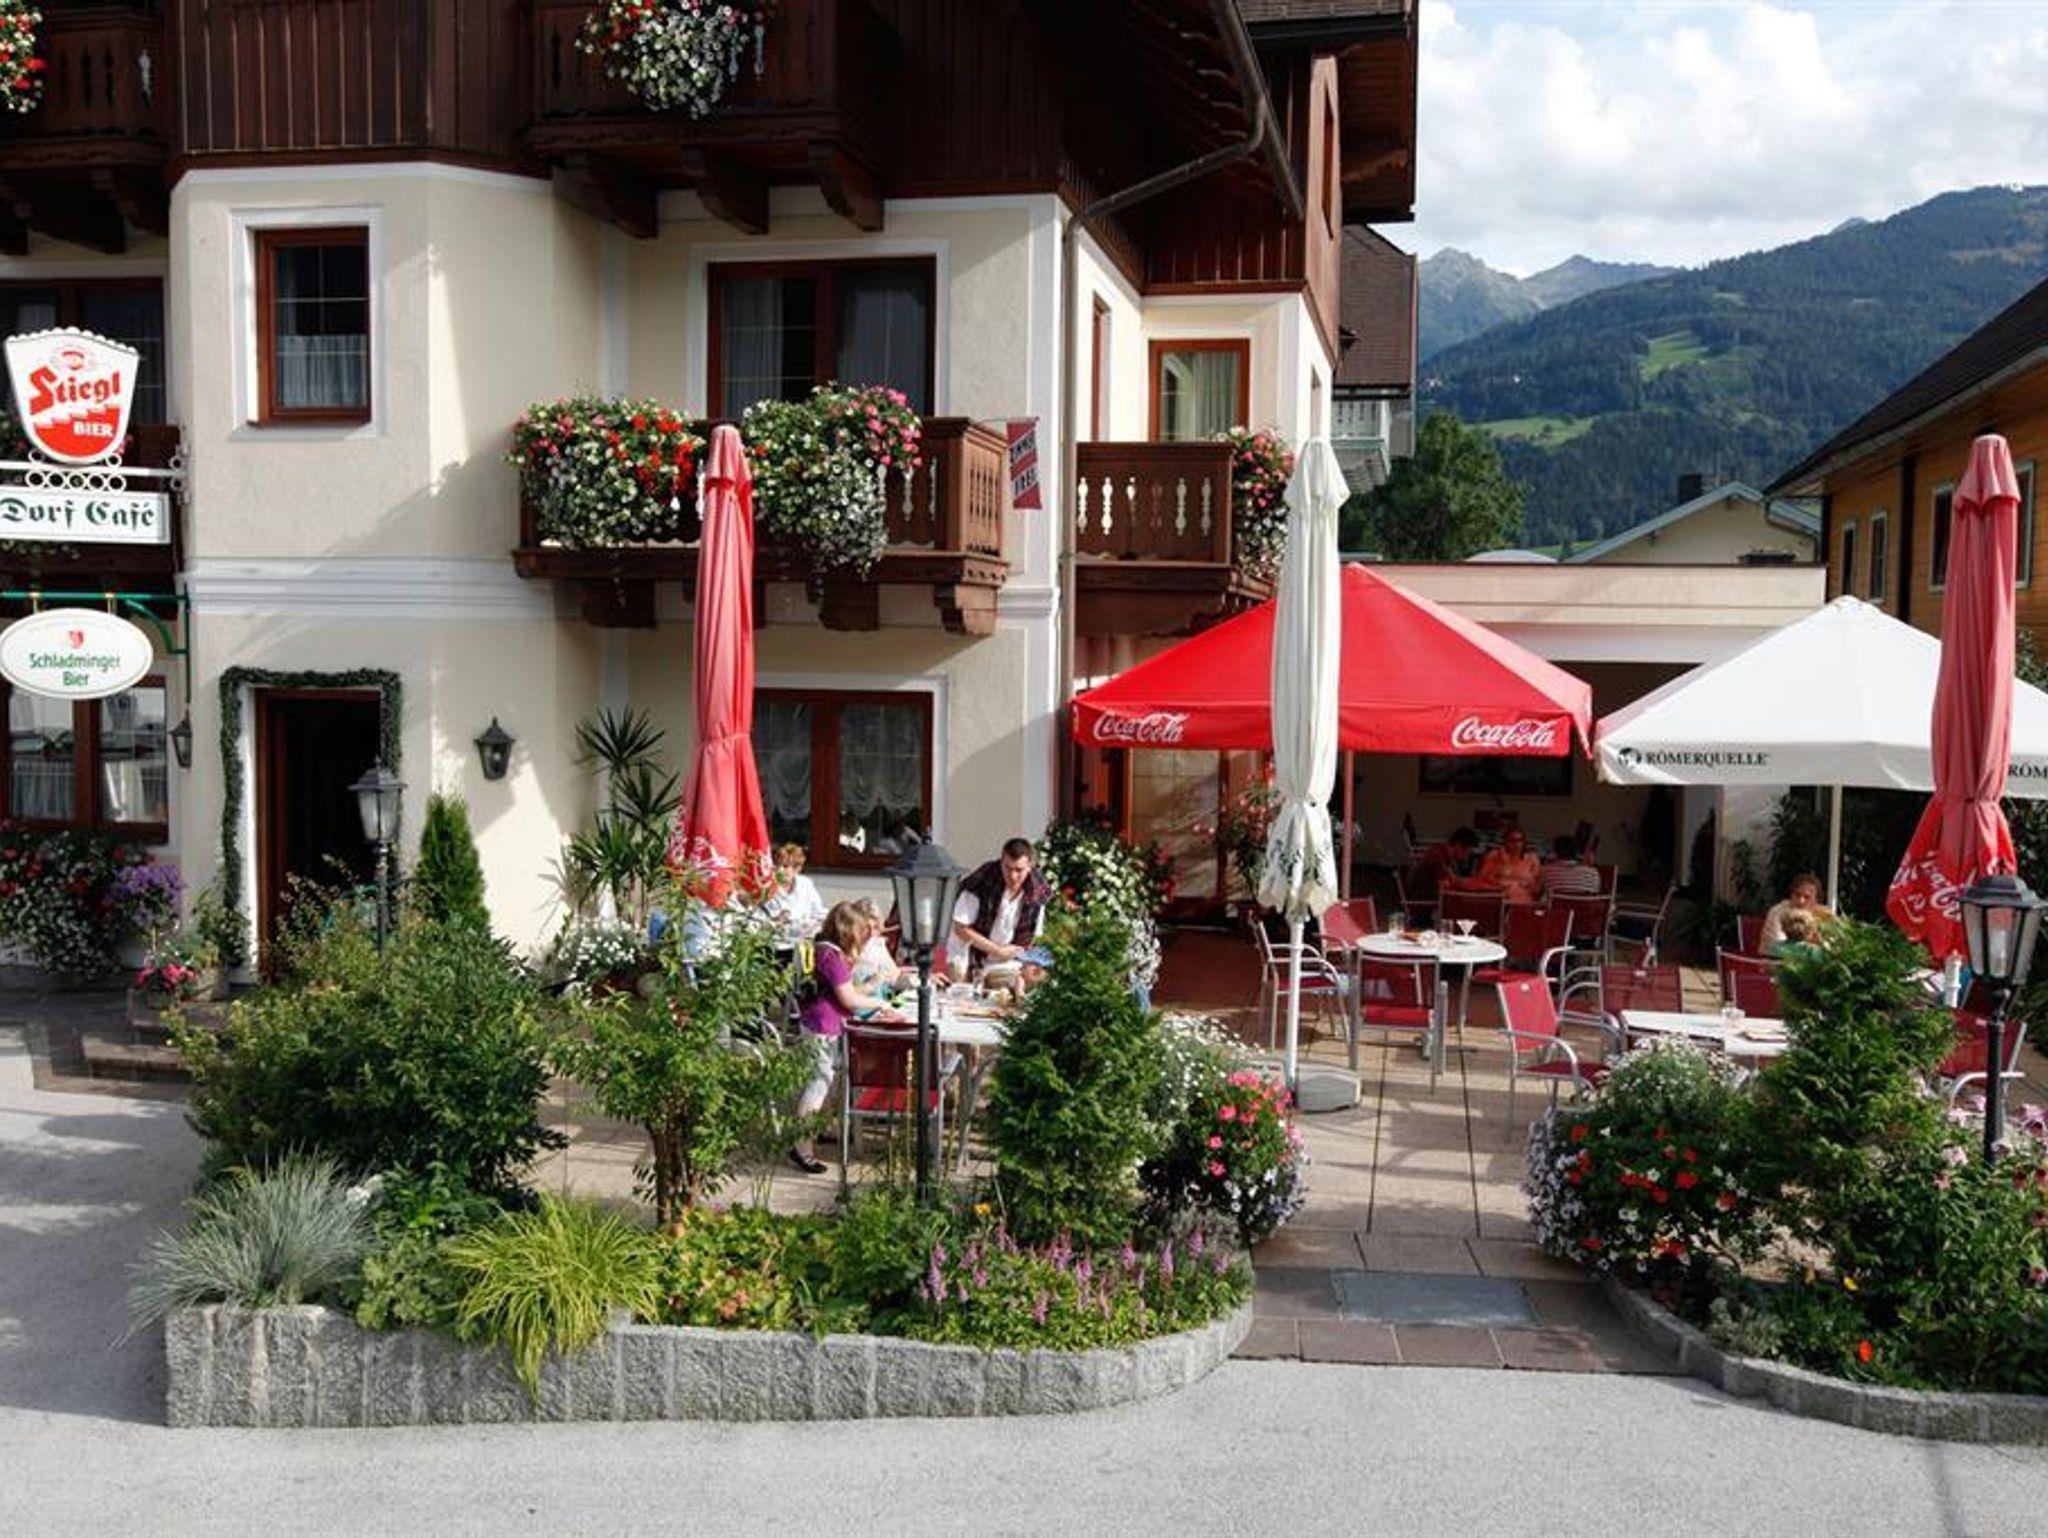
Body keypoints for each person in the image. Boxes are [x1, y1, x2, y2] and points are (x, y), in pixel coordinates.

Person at [790, 901, 905, 1174]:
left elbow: (846, 991)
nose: (862, 937)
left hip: (821, 1022)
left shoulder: (824, 950)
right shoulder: (831, 956)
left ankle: (814, 1132)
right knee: (818, 1083)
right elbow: (849, 999)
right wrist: (881, 1004)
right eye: (859, 930)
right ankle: (801, 1148)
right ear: (847, 930)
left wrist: (872, 987)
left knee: (825, 1081)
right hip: (822, 1025)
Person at [947, 836, 1052, 979]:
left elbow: (1031, 939)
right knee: (963, 989)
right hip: (966, 956)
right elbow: (960, 928)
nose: (1012, 876)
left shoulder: (1037, 891)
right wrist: (998, 951)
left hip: (1006, 963)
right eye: (1007, 868)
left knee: (1023, 983)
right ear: (1001, 862)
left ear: (1030, 866)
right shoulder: (982, 882)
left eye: (1019, 870)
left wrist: (1026, 963)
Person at [763, 843, 826, 947]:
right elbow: (760, 920)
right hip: (776, 944)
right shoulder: (767, 887)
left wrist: (818, 923)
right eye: (777, 865)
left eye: (785, 866)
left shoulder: (806, 884)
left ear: (797, 869)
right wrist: (778, 920)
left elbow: (818, 912)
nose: (779, 870)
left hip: (803, 942)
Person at [1762, 874, 1835, 955]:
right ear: (1791, 894)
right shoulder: (1778, 912)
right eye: (1797, 895)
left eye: (1807, 897)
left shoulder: (1825, 915)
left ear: (1816, 900)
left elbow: (1833, 945)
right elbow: (1779, 948)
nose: (1801, 901)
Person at [1408, 827, 1481, 905]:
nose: (1467, 855)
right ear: (1459, 845)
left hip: (1431, 898)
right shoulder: (1438, 855)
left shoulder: (1446, 854)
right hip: (1425, 902)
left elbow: (1452, 880)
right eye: (1468, 850)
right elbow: (1446, 885)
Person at [1475, 827, 1541, 903]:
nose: (1516, 844)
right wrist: (1499, 888)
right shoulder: (1495, 855)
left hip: (1523, 899)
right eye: (1512, 841)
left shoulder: (1532, 858)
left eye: (1519, 840)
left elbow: (1537, 885)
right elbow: (1481, 880)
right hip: (1498, 896)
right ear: (1505, 842)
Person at [850, 897, 902, 992]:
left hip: (881, 998)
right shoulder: (847, 948)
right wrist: (871, 985)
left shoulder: (876, 945)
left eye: (875, 927)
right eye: (866, 928)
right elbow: (845, 993)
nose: (871, 933)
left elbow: (895, 975)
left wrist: (917, 980)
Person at [1539, 834, 1603, 898]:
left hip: (1557, 904)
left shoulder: (1545, 871)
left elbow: (1536, 892)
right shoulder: (1593, 873)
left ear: (1554, 852)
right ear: (1577, 853)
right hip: (1586, 904)